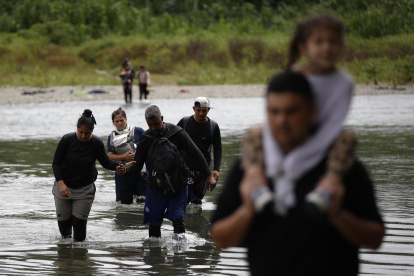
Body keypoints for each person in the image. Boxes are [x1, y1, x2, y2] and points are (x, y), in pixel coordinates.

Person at [210, 71, 385, 275]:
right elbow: (220, 238)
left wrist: (337, 214)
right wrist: (248, 209)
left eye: (291, 111)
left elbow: (375, 239)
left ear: (312, 111)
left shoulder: (340, 167)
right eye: (274, 112)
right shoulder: (250, 167)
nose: (281, 120)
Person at [117, 105, 217, 238]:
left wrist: (209, 175)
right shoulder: (146, 139)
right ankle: (154, 254)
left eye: (156, 124)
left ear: (162, 119)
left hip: (178, 184)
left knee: (178, 221)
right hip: (155, 187)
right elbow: (137, 165)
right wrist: (125, 170)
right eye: (150, 125)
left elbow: (197, 154)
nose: (153, 128)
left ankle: (180, 255)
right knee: (154, 225)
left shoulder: (177, 133)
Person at [52, 109, 123, 242]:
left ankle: (80, 259)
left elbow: (106, 162)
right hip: (63, 187)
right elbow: (56, 163)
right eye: (81, 132)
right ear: (76, 129)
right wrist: (61, 184)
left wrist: (119, 166)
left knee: (79, 228)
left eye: (88, 133)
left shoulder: (96, 143)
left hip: (85, 189)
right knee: (65, 231)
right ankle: (66, 259)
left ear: (92, 131)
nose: (84, 136)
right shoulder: (67, 140)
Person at [177, 97, 222, 205]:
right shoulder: (185, 122)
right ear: (194, 109)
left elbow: (218, 149)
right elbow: (174, 141)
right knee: (185, 199)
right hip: (186, 167)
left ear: (208, 110)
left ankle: (195, 221)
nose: (201, 113)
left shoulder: (213, 126)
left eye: (204, 111)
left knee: (197, 202)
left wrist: (216, 169)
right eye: (198, 110)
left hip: (204, 169)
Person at [107, 107, 147, 204]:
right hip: (122, 173)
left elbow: (148, 147)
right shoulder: (111, 137)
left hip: (140, 172)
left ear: (126, 119)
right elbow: (110, 155)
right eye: (117, 121)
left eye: (122, 120)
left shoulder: (138, 131)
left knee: (143, 201)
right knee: (124, 203)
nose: (120, 123)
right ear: (113, 122)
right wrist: (124, 157)